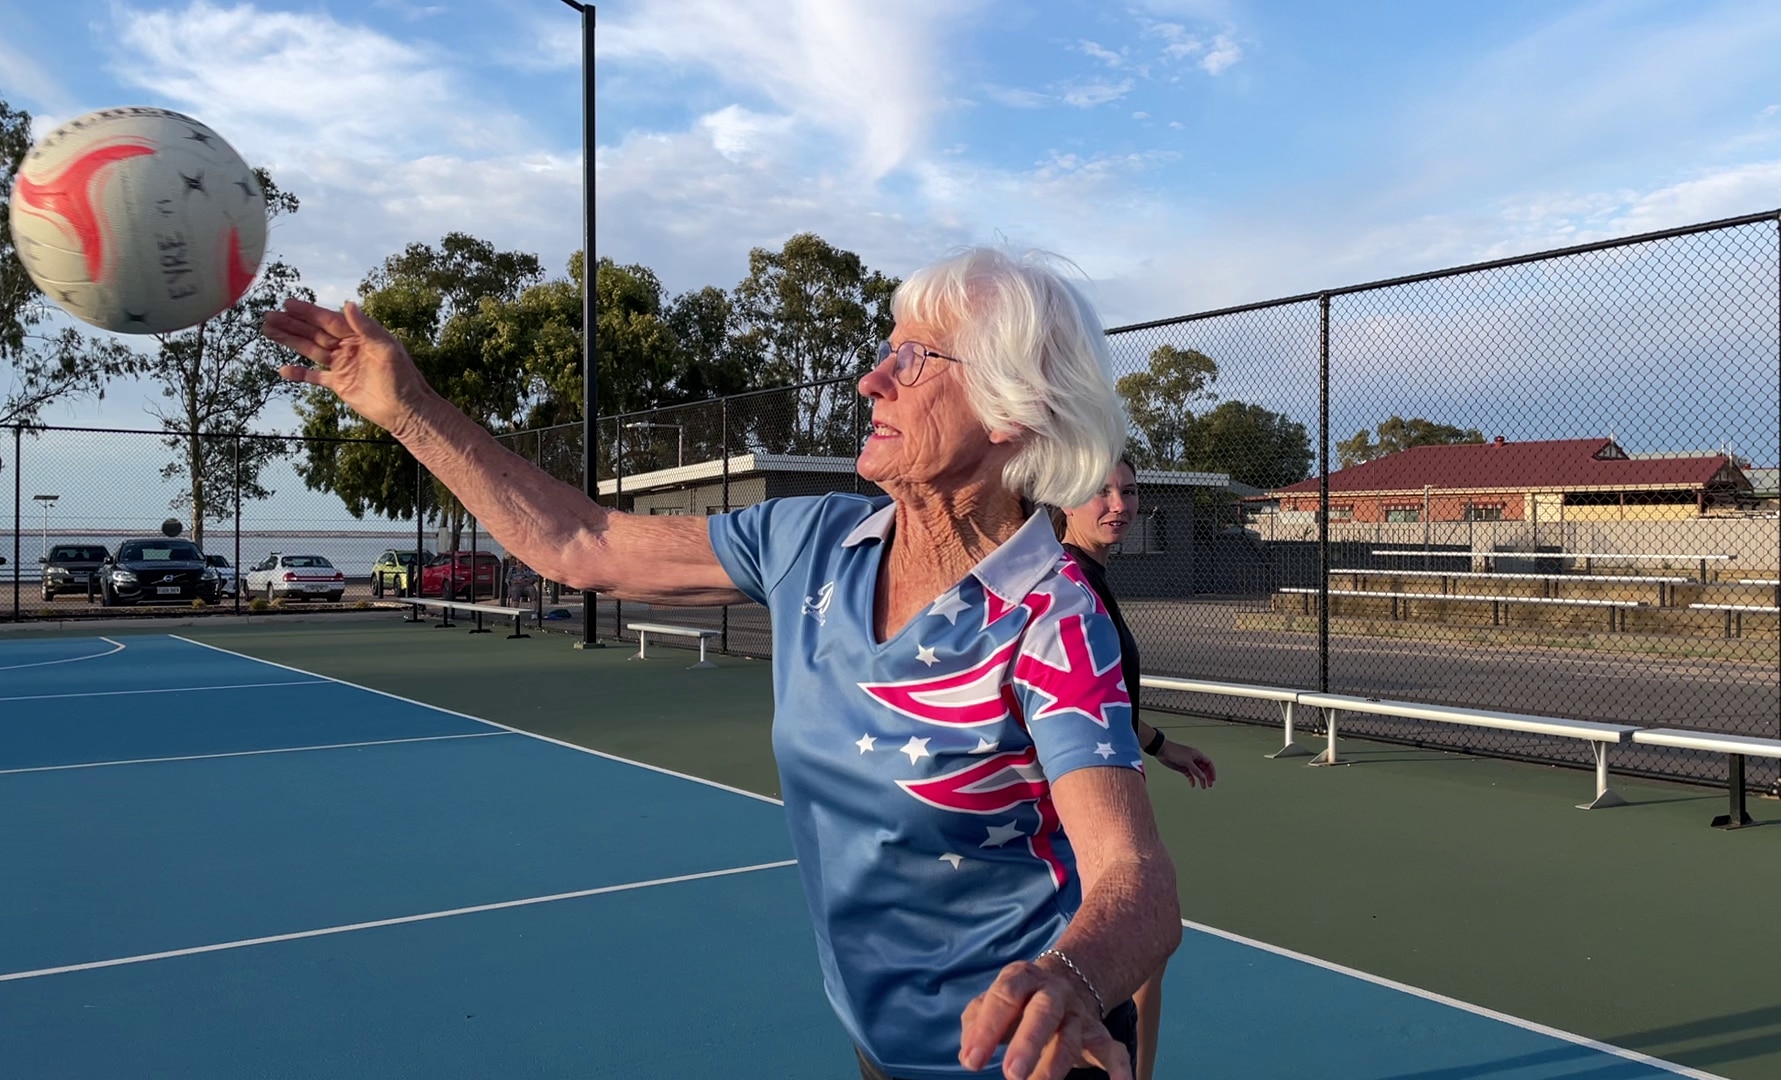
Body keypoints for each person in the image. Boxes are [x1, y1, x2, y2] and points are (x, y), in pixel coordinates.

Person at [264, 247, 1181, 1080]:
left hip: (1028, 1056)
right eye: (885, 348)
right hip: (882, 1043)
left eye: (917, 359)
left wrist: (1064, 977)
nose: (872, 380)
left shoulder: (1051, 619)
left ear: (1012, 411)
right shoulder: (814, 541)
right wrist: (406, 408)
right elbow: (580, 542)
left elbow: (1137, 884)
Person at [1056, 456, 1216, 1080]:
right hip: (1081, 805)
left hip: (1118, 786)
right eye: (1100, 491)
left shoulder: (1090, 579)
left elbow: (1107, 698)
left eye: (1128, 490)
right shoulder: (1066, 587)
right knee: (1114, 953)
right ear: (1065, 501)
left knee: (1147, 949)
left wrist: (1159, 743)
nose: (1118, 503)